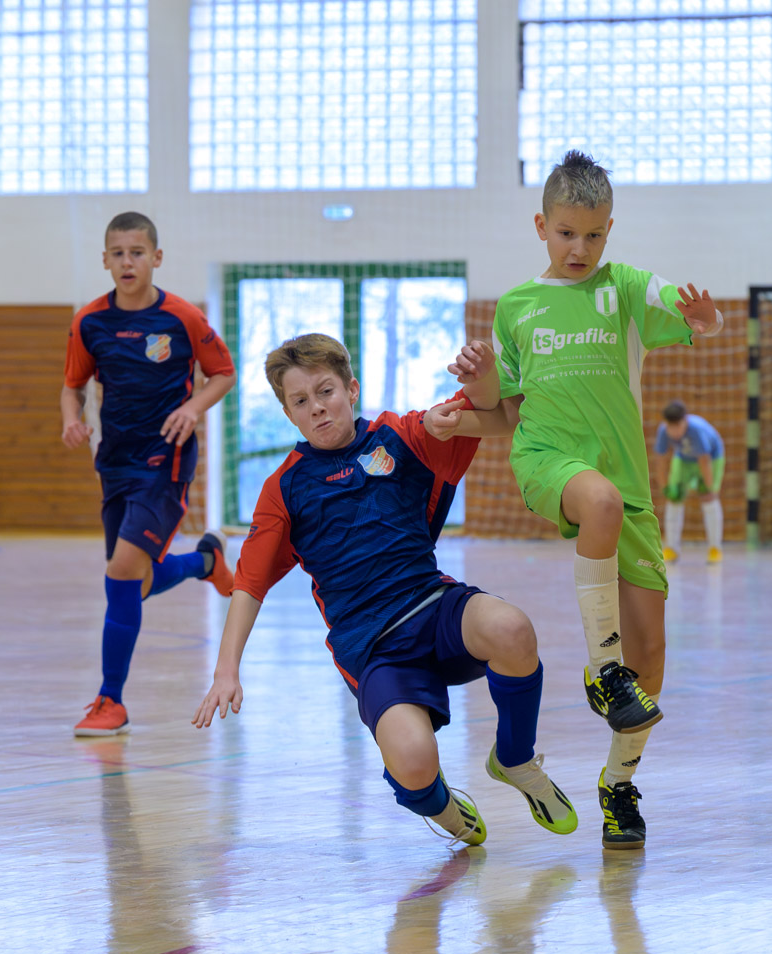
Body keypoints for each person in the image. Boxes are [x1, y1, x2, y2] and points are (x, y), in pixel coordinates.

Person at [192, 333, 576, 847]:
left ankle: (515, 758)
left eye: (325, 391)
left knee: (512, 628)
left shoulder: (401, 436)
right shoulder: (283, 488)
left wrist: (482, 374)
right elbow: (249, 584)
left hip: (434, 606)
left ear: (351, 389)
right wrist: (226, 670)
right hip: (373, 648)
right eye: (300, 401)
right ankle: (438, 803)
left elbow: (489, 409)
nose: (317, 408)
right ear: (288, 415)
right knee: (414, 762)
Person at [469, 149, 723, 850]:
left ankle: (618, 784)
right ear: (541, 226)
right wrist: (477, 384)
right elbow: (503, 406)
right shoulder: (518, 306)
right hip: (548, 459)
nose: (578, 248)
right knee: (600, 503)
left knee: (653, 658)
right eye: (565, 233)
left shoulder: (626, 289)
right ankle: (602, 669)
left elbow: (686, 314)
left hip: (626, 481)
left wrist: (705, 322)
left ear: (609, 229)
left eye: (592, 234)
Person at [60, 211, 237, 738]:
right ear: (105, 260)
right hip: (114, 463)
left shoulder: (182, 317)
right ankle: (205, 561)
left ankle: (110, 701)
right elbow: (72, 385)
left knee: (120, 575)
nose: (127, 262)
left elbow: (223, 372)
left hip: (166, 461)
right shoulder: (89, 322)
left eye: (137, 252)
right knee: (131, 585)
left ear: (156, 257)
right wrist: (71, 419)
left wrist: (193, 408)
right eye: (118, 253)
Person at [654, 401, 726, 564]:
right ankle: (671, 548)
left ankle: (715, 548)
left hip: (711, 458)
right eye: (671, 426)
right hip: (683, 459)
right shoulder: (663, 431)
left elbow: (704, 460)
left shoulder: (696, 430)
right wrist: (665, 487)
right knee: (674, 499)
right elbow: (660, 460)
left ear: (685, 420)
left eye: (678, 426)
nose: (674, 431)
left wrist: (708, 485)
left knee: (709, 498)